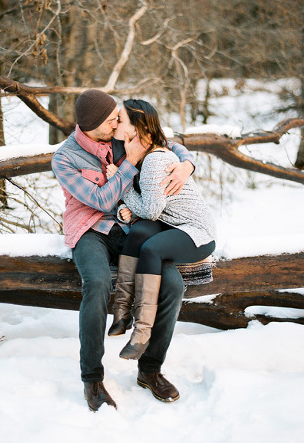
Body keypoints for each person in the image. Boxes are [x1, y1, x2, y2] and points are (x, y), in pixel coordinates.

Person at [51, 89, 197, 411]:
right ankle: (92, 379)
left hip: (132, 227)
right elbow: (102, 201)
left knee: (172, 284)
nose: (119, 121)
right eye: (112, 119)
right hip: (90, 229)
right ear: (91, 126)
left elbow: (167, 143)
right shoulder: (64, 159)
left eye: (119, 116)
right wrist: (130, 163)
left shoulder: (120, 135)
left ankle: (150, 370)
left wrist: (187, 164)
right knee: (98, 284)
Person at [106, 98, 216, 363]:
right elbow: (154, 207)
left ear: (137, 129)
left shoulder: (155, 160)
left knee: (151, 248)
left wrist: (122, 186)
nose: (116, 124)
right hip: (173, 225)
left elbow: (152, 210)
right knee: (140, 234)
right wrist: (133, 207)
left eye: (121, 120)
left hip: (196, 233)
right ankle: (121, 313)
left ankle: (142, 333)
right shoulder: (148, 152)